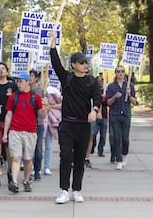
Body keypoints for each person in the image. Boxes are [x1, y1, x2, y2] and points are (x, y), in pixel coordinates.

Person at [50, 32, 101, 204]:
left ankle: (77, 189)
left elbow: (97, 97)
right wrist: (53, 44)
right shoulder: (67, 78)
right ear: (73, 65)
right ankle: (64, 190)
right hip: (67, 124)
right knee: (66, 157)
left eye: (86, 62)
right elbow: (55, 63)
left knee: (80, 159)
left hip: (83, 126)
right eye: (81, 62)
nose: (85, 65)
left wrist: (94, 110)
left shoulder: (92, 81)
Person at [3, 72, 46, 193]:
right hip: (15, 131)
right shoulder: (13, 97)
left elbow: (41, 115)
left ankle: (27, 180)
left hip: (30, 131)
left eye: (21, 81)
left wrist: (45, 107)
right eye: (18, 81)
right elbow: (9, 114)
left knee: (27, 159)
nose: (19, 84)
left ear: (28, 82)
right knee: (16, 157)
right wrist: (5, 133)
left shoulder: (35, 97)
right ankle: (14, 182)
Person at [106, 66, 137, 170]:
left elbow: (134, 102)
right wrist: (115, 96)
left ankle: (125, 155)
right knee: (116, 138)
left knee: (125, 139)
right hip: (115, 115)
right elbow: (108, 103)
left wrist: (129, 94)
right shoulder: (111, 86)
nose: (120, 73)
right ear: (115, 73)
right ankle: (118, 160)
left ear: (124, 73)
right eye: (118, 71)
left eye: (122, 71)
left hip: (126, 115)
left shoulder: (130, 86)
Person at [43, 85, 62, 176]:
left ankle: (47, 166)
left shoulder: (53, 92)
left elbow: (61, 104)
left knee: (48, 145)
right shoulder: (37, 91)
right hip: (39, 121)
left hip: (50, 121)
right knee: (36, 146)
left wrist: (50, 106)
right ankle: (35, 166)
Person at [29, 69, 44, 180]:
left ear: (36, 78)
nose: (30, 78)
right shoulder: (24, 90)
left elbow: (45, 107)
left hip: (38, 123)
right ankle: (29, 171)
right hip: (28, 122)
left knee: (38, 149)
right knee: (28, 149)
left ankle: (37, 170)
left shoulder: (40, 90)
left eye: (32, 76)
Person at [92, 75, 108, 157]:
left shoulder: (106, 91)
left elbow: (107, 103)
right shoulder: (94, 90)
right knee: (93, 133)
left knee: (103, 135)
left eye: (102, 80)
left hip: (105, 116)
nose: (100, 82)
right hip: (96, 115)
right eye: (98, 80)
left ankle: (100, 150)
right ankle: (92, 146)